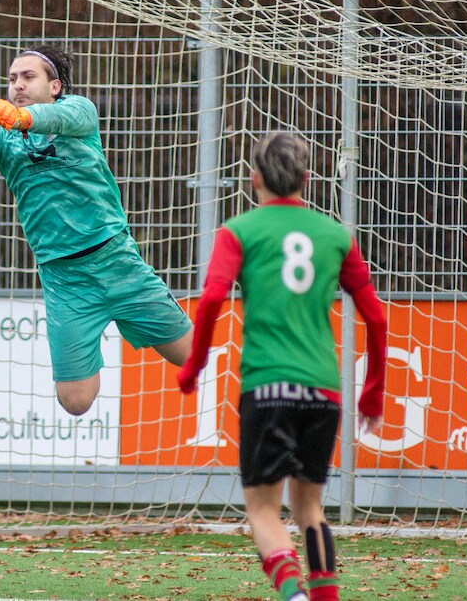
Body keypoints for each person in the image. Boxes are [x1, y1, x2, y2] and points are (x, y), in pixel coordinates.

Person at [0, 45, 193, 417]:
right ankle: (99, 331)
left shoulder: (79, 112)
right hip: (64, 280)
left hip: (117, 263)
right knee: (76, 401)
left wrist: (22, 118)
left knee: (193, 356)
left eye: (28, 77)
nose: (17, 85)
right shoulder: (2, 137)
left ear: (55, 85)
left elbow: (50, 119)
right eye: (11, 79)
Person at [175, 132, 388, 601]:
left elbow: (211, 298)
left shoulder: (240, 231)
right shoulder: (335, 235)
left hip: (267, 385)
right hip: (323, 388)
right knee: (310, 507)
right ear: (306, 180)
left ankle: (294, 595)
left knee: (263, 509)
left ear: (254, 179)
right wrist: (372, 392)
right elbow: (375, 315)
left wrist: (193, 367)